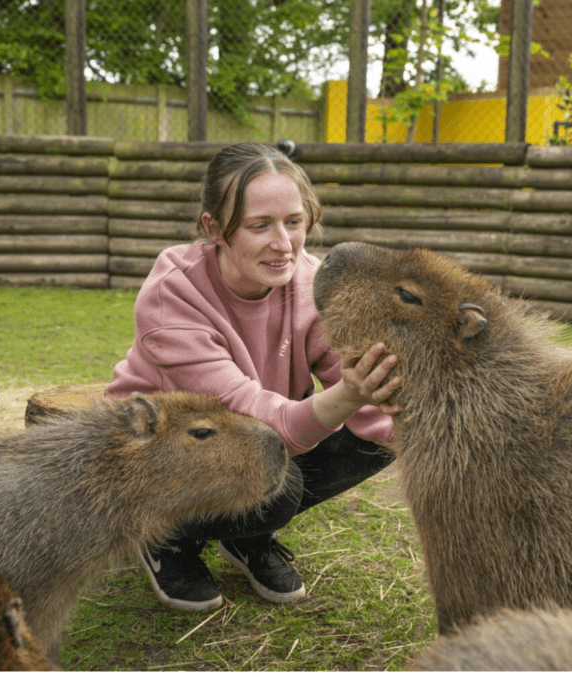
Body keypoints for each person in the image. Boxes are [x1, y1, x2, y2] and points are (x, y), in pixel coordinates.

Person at [106, 141, 398, 612]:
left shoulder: (310, 281)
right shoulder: (171, 297)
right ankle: (166, 540)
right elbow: (260, 419)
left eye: (294, 222)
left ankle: (246, 537)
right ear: (214, 227)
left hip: (252, 436)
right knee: (279, 487)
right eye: (260, 226)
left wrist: (432, 442)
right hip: (161, 452)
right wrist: (349, 394)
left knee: (382, 436)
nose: (283, 245)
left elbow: (362, 382)